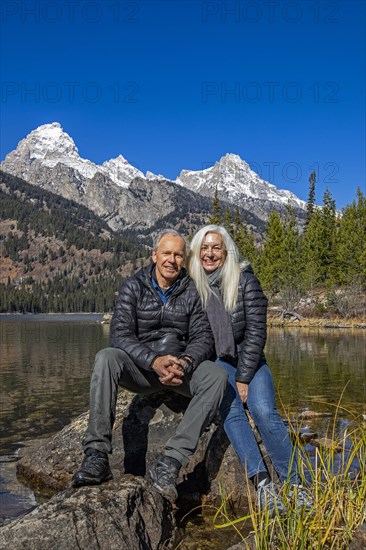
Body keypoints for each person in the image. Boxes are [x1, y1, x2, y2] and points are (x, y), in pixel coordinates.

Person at [72, 229, 228, 503]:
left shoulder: (193, 290)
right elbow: (120, 335)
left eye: (178, 255)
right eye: (166, 253)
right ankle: (96, 456)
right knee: (106, 357)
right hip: (141, 370)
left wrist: (186, 362)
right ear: (154, 255)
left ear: (184, 259)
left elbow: (204, 337)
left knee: (216, 374)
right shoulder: (133, 286)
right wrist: (153, 361)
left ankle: (170, 462)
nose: (172, 260)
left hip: (180, 372)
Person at [188, 225, 313, 515]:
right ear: (197, 251)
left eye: (215, 247)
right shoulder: (193, 285)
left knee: (263, 410)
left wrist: (243, 377)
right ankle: (263, 484)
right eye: (204, 247)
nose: (209, 253)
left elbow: (257, 332)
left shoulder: (245, 280)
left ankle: (295, 484)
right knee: (231, 413)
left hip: (251, 360)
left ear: (225, 251)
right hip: (218, 362)